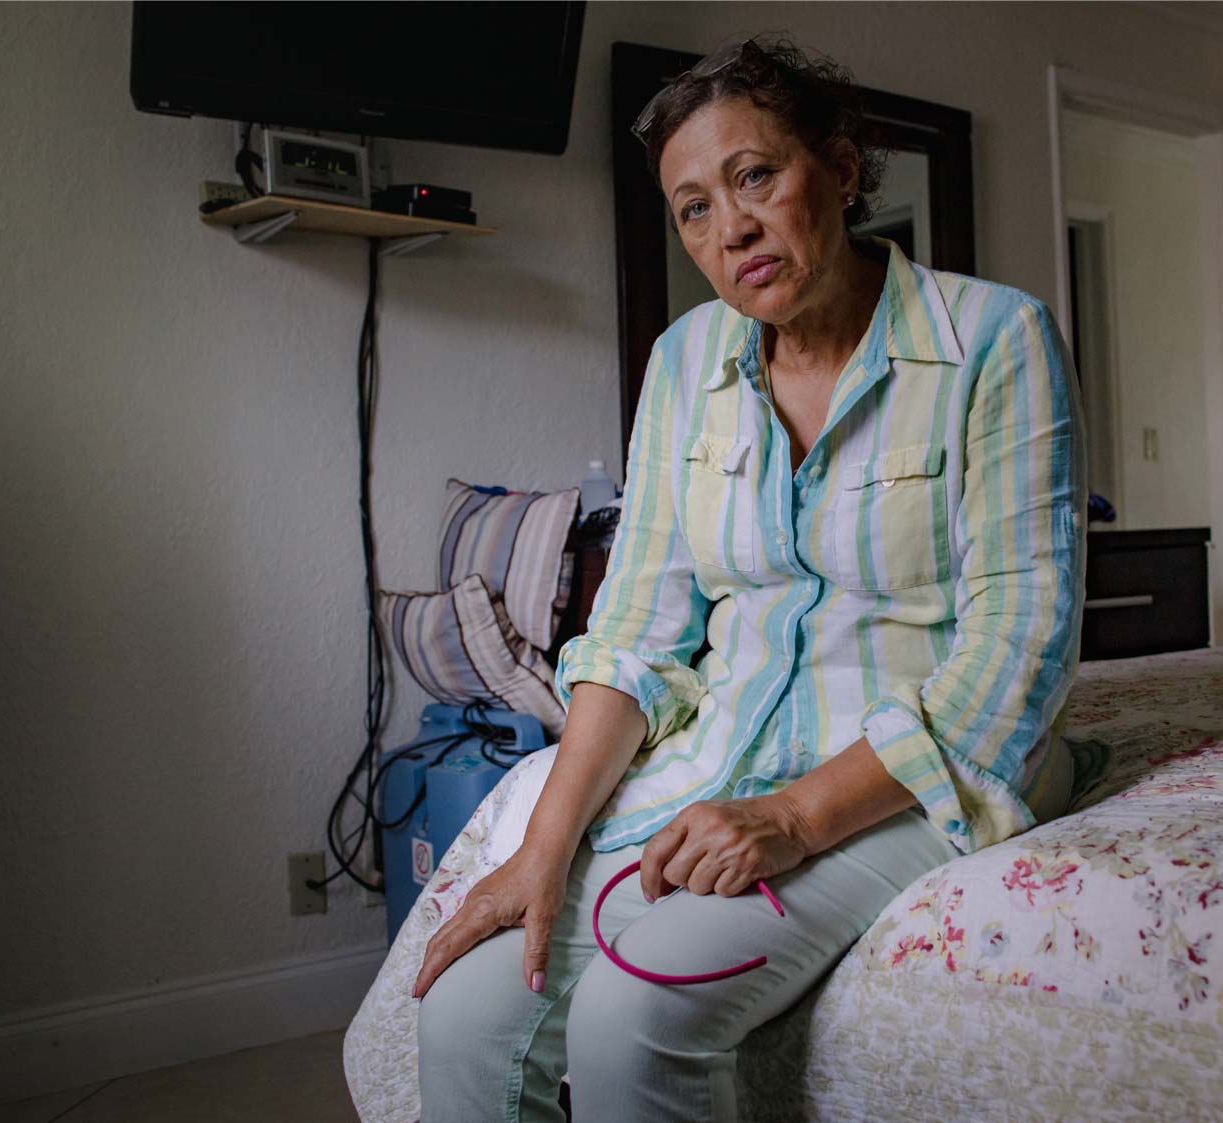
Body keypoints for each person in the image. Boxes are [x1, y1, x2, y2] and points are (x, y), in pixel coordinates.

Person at [412, 35, 1087, 1123]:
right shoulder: (685, 363)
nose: (729, 229)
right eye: (692, 208)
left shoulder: (995, 338)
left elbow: (1021, 655)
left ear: (843, 167)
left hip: (911, 772)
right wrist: (543, 853)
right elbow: (636, 629)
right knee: (460, 1015)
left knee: (635, 1015)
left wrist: (794, 817)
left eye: (755, 176)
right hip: (720, 761)